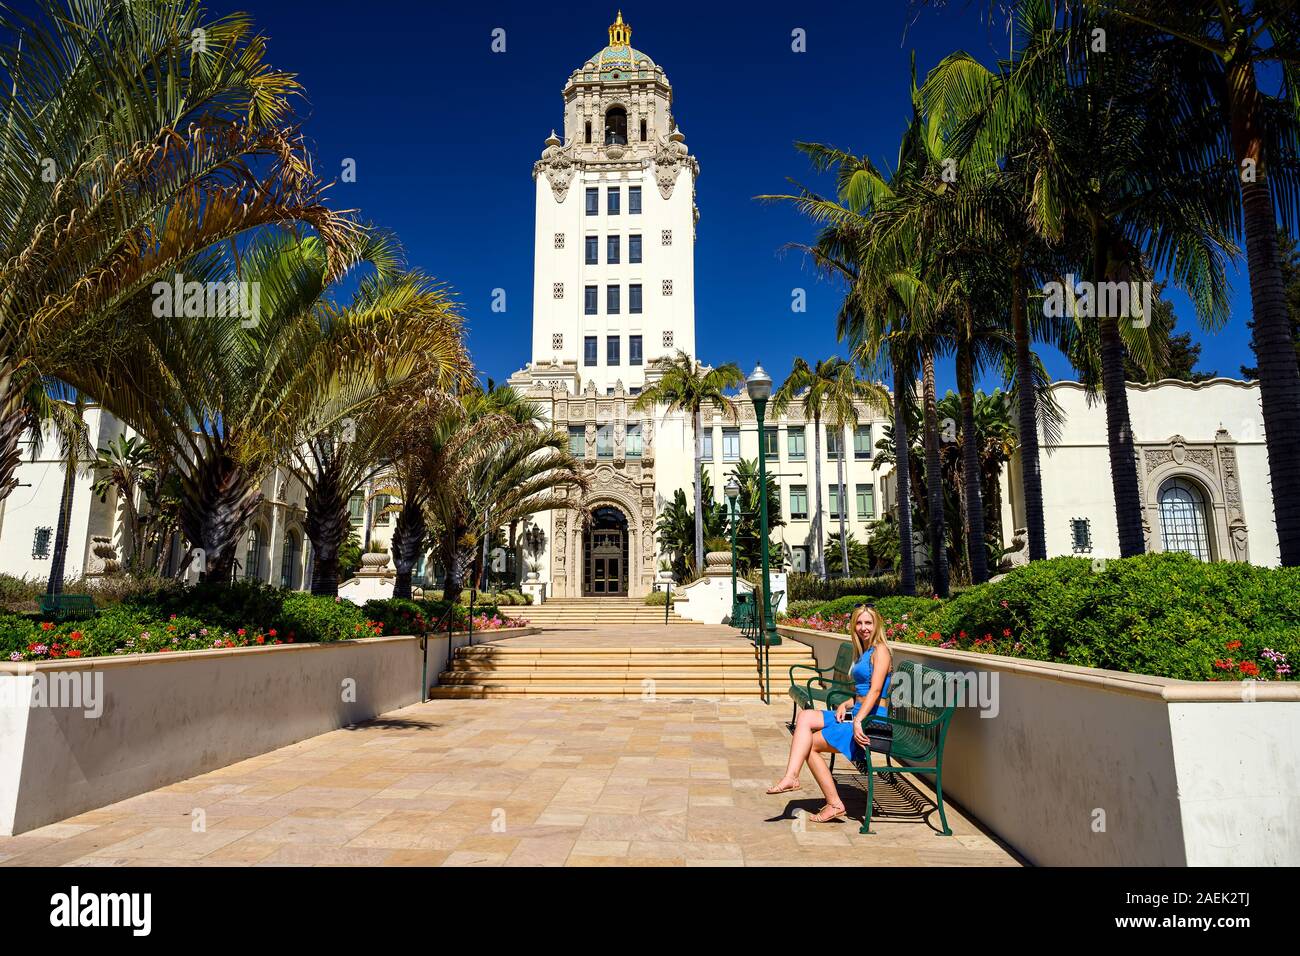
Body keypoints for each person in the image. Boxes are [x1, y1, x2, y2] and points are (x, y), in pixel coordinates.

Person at [766, 604, 892, 822]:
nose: (864, 628)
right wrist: (846, 703)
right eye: (859, 623)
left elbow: (876, 690)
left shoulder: (880, 650)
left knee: (811, 745)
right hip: (861, 710)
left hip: (872, 718)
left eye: (868, 623)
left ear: (877, 624)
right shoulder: (865, 651)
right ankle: (791, 777)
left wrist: (858, 719)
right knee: (804, 717)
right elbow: (862, 692)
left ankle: (834, 804)